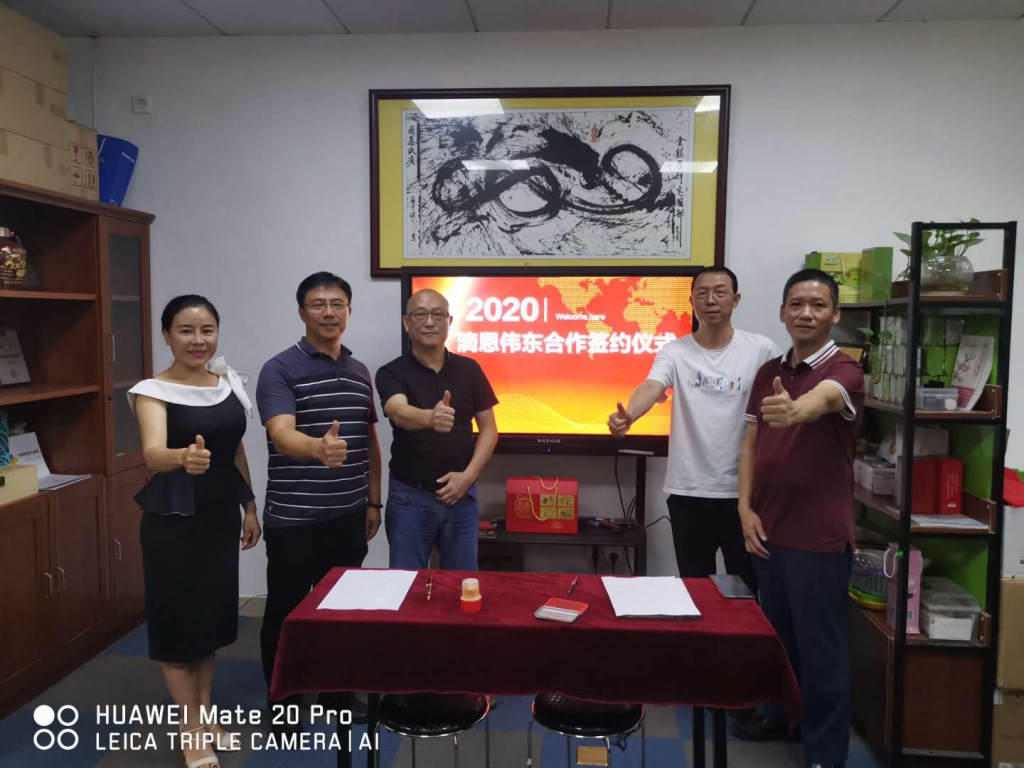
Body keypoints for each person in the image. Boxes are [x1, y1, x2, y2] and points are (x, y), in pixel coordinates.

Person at [733, 268, 864, 768]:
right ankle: (781, 718)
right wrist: (744, 508)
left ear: (835, 314)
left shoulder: (845, 370)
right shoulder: (769, 371)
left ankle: (826, 752)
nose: (805, 313)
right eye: (796, 304)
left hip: (818, 537)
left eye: (817, 304)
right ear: (783, 311)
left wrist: (797, 410)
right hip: (767, 528)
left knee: (821, 649)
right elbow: (750, 444)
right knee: (779, 640)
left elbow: (822, 400)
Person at [129, 295, 261, 768]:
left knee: (208, 625)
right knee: (178, 626)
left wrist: (250, 505)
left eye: (207, 330)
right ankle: (191, 730)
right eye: (186, 330)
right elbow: (152, 452)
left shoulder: (226, 383)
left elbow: (236, 451)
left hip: (218, 516)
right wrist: (182, 457)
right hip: (173, 522)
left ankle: (206, 717)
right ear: (167, 335)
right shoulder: (153, 390)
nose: (198, 340)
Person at [256, 272, 382, 720]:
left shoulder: (359, 370)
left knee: (340, 612)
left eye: (337, 304)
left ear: (349, 311)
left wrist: (373, 501)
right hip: (295, 519)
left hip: (348, 516)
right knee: (286, 614)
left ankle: (336, 696)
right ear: (302, 312)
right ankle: (284, 704)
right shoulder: (280, 369)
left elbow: (368, 441)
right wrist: (317, 449)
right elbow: (281, 434)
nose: (329, 312)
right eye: (318, 304)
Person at [607, 266, 779, 591]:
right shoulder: (675, 352)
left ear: (736, 299)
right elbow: (652, 386)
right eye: (702, 293)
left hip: (744, 494)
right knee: (695, 588)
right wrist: (630, 415)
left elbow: (782, 399)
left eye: (720, 292)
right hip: (688, 491)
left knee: (748, 589)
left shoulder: (762, 350)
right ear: (691, 301)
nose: (711, 300)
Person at [376, 288, 498, 570]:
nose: (429, 322)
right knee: (406, 583)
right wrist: (430, 417)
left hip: (462, 495)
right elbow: (397, 411)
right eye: (420, 315)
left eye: (438, 315)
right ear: (406, 323)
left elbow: (490, 430)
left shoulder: (470, 369)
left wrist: (468, 476)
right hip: (410, 496)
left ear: (449, 321)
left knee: (462, 584)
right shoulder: (391, 372)